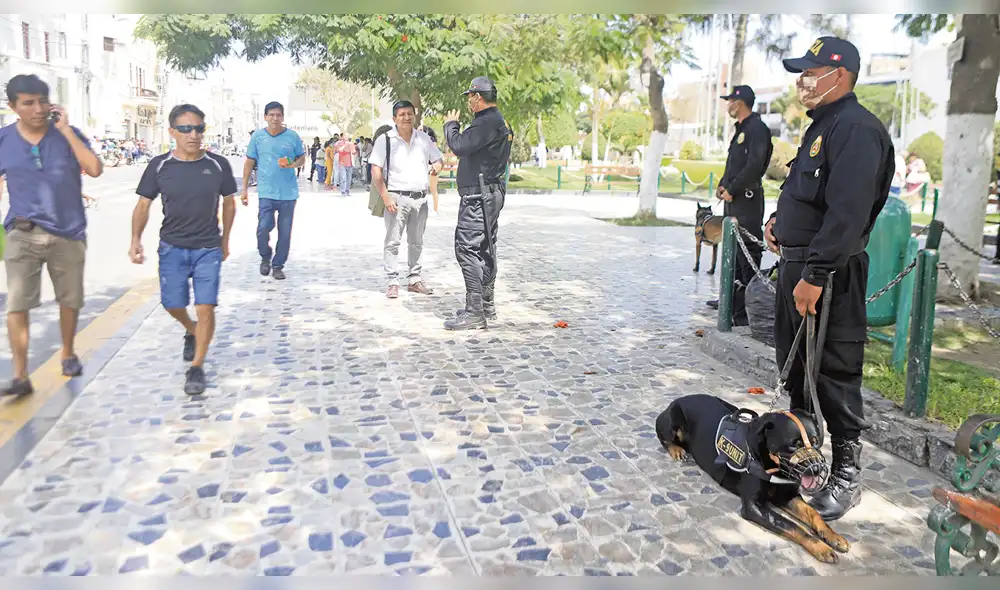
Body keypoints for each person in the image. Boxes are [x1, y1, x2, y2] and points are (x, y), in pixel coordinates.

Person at [764, 37, 894, 522]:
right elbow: (806, 195)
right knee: (795, 368)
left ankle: (844, 474)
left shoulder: (857, 129)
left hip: (829, 275)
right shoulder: (823, 127)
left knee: (833, 373)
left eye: (810, 72)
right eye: (801, 72)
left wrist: (815, 273)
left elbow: (847, 211)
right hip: (799, 266)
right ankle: (806, 461)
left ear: (840, 75)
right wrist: (778, 224)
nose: (803, 81)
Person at [0, 74, 103, 396]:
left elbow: (95, 168)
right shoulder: (4, 139)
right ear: (13, 106)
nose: (38, 109)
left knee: (70, 300)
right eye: (28, 103)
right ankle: (20, 376)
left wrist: (66, 132)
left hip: (68, 231)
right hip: (22, 231)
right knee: (17, 303)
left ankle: (68, 352)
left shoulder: (68, 134)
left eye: (42, 101)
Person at [130, 104, 237, 395]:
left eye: (199, 128)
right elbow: (143, 204)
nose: (193, 135)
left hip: (207, 248)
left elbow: (229, 202)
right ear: (172, 132)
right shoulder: (160, 165)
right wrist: (135, 240)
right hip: (172, 247)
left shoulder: (217, 165)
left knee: (206, 307)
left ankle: (197, 367)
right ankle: (191, 330)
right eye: (186, 129)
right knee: (172, 304)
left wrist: (225, 239)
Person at [442, 77, 513, 330]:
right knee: (484, 247)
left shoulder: (486, 123)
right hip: (489, 192)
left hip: (478, 195)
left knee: (466, 247)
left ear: (477, 97)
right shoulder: (499, 120)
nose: (469, 102)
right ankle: (485, 303)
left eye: (470, 97)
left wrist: (450, 125)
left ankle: (475, 312)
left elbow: (459, 145)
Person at [706, 85, 773, 326]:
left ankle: (748, 307)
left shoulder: (757, 130)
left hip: (747, 199)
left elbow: (754, 166)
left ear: (739, 102)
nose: (728, 106)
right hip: (734, 200)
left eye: (730, 101)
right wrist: (724, 185)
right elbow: (734, 164)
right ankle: (730, 300)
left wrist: (733, 189)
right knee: (732, 251)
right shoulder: (741, 131)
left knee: (748, 254)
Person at [369, 102, 443, 299]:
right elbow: (375, 170)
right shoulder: (385, 140)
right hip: (395, 198)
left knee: (416, 241)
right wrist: (385, 197)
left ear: (414, 116)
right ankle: (392, 281)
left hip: (420, 198)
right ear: (394, 118)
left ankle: (414, 279)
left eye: (409, 114)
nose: (406, 118)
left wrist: (436, 166)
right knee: (393, 242)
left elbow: (438, 160)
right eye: (401, 114)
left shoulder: (424, 139)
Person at [242, 102, 304, 281]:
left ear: (283, 117)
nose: (275, 118)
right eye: (271, 115)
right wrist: (244, 189)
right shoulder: (258, 137)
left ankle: (278, 265)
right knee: (263, 228)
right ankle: (265, 256)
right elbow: (249, 163)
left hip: (288, 194)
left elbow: (301, 158)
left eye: (278, 115)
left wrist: (293, 164)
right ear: (265, 117)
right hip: (266, 193)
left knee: (285, 232)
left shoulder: (292, 136)